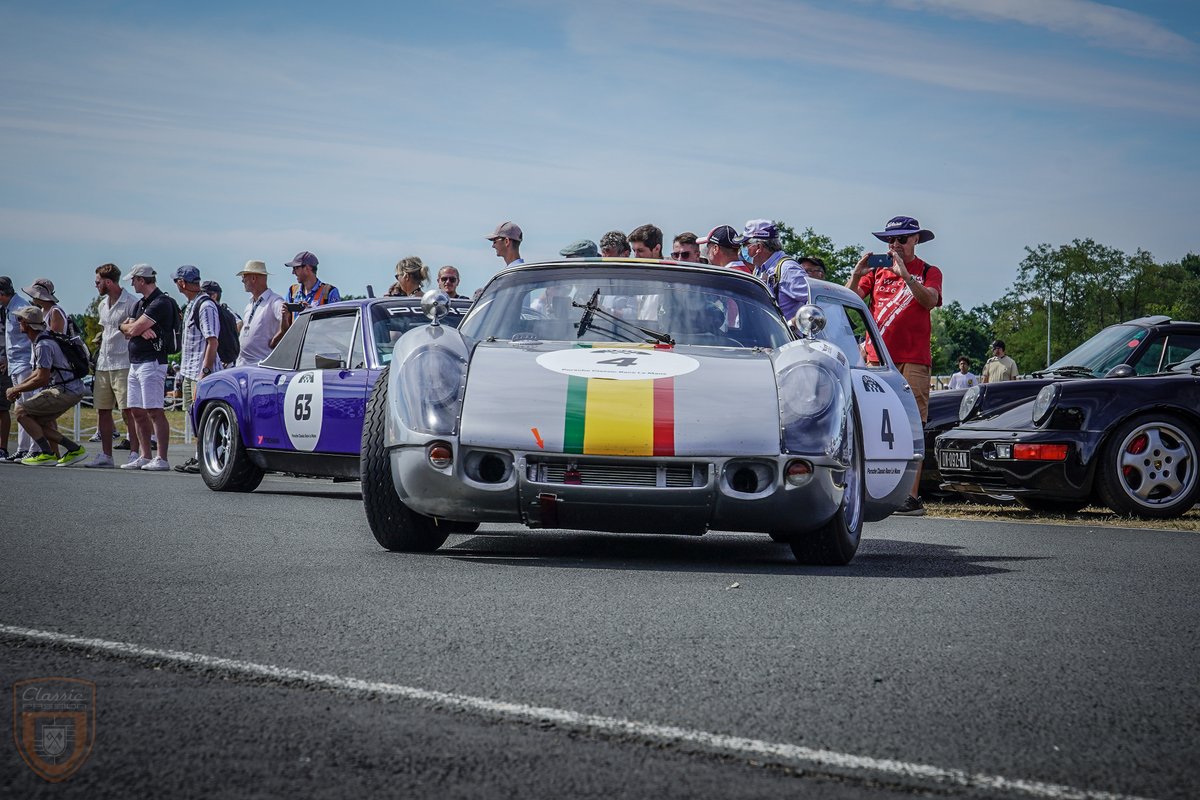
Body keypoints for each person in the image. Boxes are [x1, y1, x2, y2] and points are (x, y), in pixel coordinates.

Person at [846, 215, 943, 516]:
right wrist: (855, 274)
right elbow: (848, 301)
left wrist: (904, 273)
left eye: (902, 239)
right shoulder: (875, 273)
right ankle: (872, 490)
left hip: (914, 359)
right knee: (872, 423)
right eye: (891, 240)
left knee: (914, 425)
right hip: (876, 358)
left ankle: (911, 497)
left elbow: (929, 300)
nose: (895, 245)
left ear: (916, 240)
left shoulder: (928, 271)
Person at [4, 307, 87, 466]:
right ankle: (74, 449)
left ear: (28, 324)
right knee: (35, 420)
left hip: (65, 390)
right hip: (70, 388)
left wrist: (16, 389)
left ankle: (46, 453)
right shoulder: (42, 340)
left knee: (21, 411)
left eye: (20, 319)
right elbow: (37, 373)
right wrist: (19, 388)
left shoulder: (43, 345)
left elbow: (42, 378)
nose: (18, 322)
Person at [119, 264, 176, 471]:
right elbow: (126, 328)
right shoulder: (139, 304)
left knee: (154, 410)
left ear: (141, 280)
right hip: (135, 361)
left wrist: (134, 329)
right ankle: (145, 455)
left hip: (152, 361)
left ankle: (161, 457)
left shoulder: (160, 302)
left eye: (133, 280)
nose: (132, 284)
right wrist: (136, 330)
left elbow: (132, 327)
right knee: (136, 411)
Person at [86, 263, 142, 468]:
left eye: (98, 282)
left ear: (108, 282)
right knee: (103, 410)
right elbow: (105, 330)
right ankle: (106, 455)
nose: (96, 286)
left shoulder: (132, 302)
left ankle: (135, 452)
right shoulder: (102, 305)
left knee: (129, 410)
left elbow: (134, 330)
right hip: (103, 363)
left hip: (124, 362)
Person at [173, 265, 221, 473]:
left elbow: (212, 341)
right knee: (193, 417)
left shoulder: (205, 306)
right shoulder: (192, 304)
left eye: (177, 281)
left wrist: (206, 372)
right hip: (189, 370)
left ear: (182, 282)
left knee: (203, 417)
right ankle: (198, 456)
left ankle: (206, 458)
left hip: (199, 372)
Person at [736, 219, 810, 319]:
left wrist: (795, 323)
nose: (742, 249)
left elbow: (815, 302)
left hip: (785, 334)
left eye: (745, 245)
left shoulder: (787, 269)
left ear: (759, 247)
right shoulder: (759, 268)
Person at [0, 276, 35, 461]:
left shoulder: (21, 307)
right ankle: (23, 448)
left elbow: (32, 334)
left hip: (25, 363)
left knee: (27, 407)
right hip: (14, 363)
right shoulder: (7, 308)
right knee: (20, 407)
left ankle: (33, 447)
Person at [274, 251, 340, 347]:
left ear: (308, 268)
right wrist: (285, 316)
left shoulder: (330, 292)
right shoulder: (292, 291)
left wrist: (312, 313)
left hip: (320, 348)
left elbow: (336, 327)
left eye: (296, 268)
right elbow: (285, 330)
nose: (293, 272)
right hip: (296, 349)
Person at [235, 260, 284, 367]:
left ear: (253, 278)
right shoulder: (250, 304)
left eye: (244, 276)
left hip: (262, 366)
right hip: (243, 365)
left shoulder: (275, 301)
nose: (242, 280)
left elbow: (287, 323)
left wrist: (275, 340)